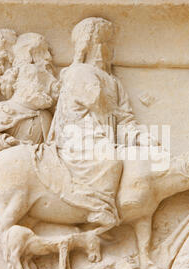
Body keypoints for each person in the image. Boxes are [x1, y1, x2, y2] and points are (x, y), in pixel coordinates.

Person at [47, 17, 158, 230]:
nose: (110, 49)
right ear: (92, 46)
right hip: (77, 136)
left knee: (139, 160)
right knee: (111, 161)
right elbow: (97, 104)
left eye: (110, 44)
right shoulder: (79, 72)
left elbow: (124, 119)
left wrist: (140, 137)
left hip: (103, 137)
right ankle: (99, 208)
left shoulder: (113, 82)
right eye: (105, 43)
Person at [0, 63, 58, 159]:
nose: (42, 87)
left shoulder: (45, 116)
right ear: (16, 83)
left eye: (43, 81)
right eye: (35, 79)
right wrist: (4, 141)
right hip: (4, 165)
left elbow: (51, 148)